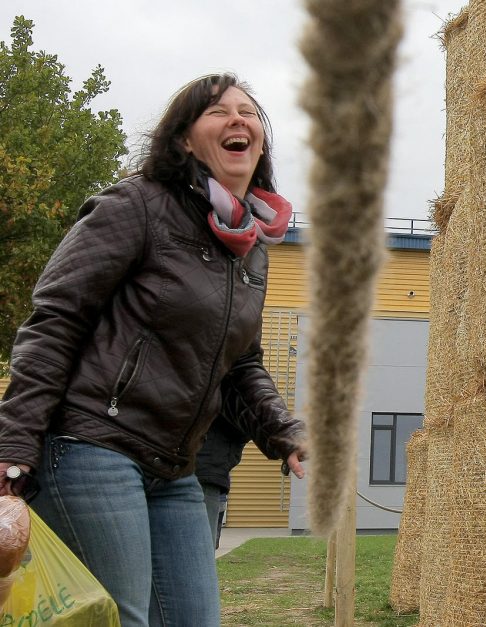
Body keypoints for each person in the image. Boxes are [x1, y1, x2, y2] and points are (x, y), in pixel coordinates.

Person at [0, 73, 305, 627]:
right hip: (94, 446)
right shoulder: (137, 206)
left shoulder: (250, 250)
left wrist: (285, 432)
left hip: (175, 466)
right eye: (217, 112)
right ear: (185, 140)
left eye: (249, 112)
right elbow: (55, 319)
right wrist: (15, 439)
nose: (239, 119)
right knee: (123, 619)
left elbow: (240, 365)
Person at [197, 375, 303, 549]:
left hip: (200, 472)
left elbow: (248, 384)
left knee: (194, 564)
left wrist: (284, 434)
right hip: (143, 463)